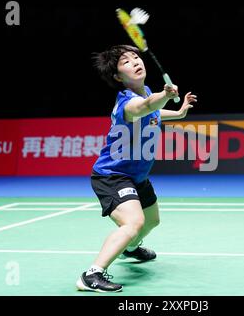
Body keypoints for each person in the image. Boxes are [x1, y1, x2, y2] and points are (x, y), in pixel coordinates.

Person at [76, 44, 197, 292]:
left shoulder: (146, 94)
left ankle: (129, 249)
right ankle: (92, 274)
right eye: (126, 62)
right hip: (113, 176)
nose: (134, 62)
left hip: (137, 177)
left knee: (152, 221)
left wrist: (178, 112)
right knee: (133, 223)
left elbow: (152, 111)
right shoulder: (127, 104)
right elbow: (144, 108)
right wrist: (164, 95)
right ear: (118, 76)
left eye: (135, 57)